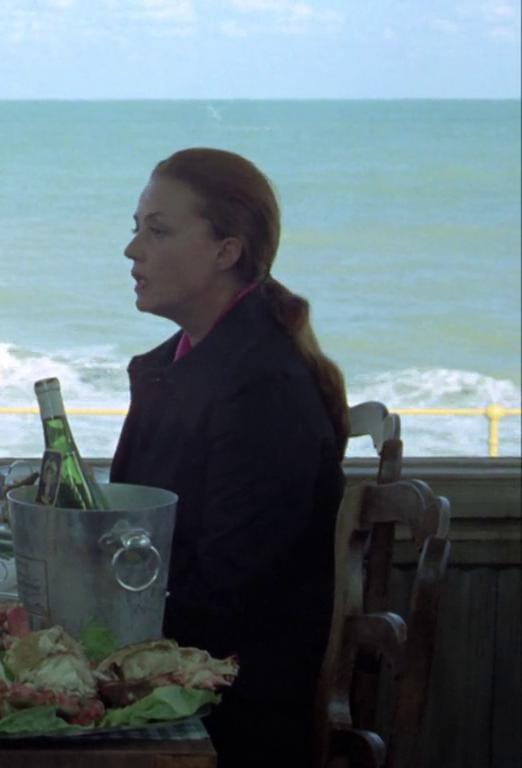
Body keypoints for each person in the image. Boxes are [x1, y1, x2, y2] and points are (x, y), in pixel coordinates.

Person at [110, 148, 348, 767]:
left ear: (226, 251)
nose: (133, 250)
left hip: (232, 714)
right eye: (136, 229)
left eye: (158, 231)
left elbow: (226, 601)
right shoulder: (183, 365)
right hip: (180, 672)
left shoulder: (263, 388)